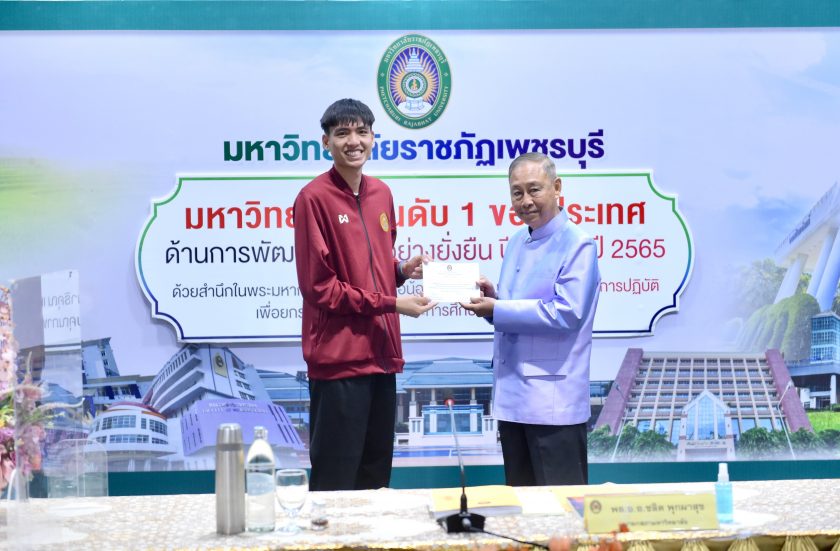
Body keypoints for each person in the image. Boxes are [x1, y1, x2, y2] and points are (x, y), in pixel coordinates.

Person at [293, 98, 434, 490]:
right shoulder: (313, 198)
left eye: (361, 132)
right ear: (326, 142)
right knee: (335, 484)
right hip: (338, 363)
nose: (353, 142)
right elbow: (320, 288)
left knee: (375, 481)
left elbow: (373, 269)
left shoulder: (381, 194)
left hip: (381, 359)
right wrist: (392, 304)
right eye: (342, 134)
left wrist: (400, 272)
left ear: (373, 138)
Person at [461, 152, 600, 486]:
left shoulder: (578, 244)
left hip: (553, 404)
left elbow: (566, 313)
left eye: (534, 189)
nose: (525, 201)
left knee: (560, 508)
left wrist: (497, 309)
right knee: (521, 504)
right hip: (512, 399)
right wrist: (494, 297)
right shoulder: (516, 242)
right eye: (517, 192)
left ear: (557, 187)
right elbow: (517, 307)